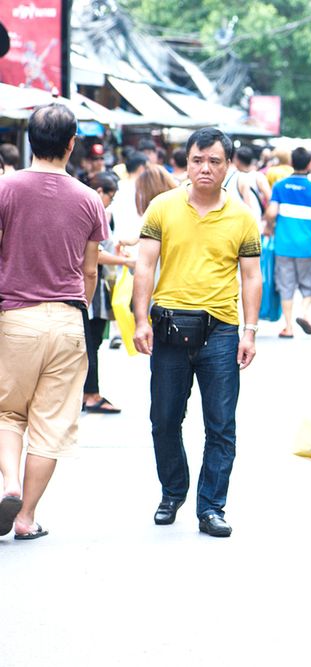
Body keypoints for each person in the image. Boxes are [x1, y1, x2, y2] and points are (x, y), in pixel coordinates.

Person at [132, 127, 262, 539]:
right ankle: (172, 493)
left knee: (221, 424)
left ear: (228, 166)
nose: (205, 168)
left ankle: (211, 507)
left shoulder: (242, 216)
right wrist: (139, 320)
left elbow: (252, 277)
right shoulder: (161, 207)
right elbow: (144, 266)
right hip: (168, 328)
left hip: (221, 332)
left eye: (214, 161)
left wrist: (250, 331)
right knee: (164, 418)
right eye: (197, 160)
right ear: (186, 163)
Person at [0, 104, 109, 540]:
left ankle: (8, 481)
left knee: (8, 411)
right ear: (71, 143)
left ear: (30, 140)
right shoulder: (88, 198)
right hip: (67, 319)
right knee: (51, 424)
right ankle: (26, 517)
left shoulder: (5, 189)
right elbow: (90, 271)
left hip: (15, 318)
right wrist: (77, 307)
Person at [82, 173, 135, 414]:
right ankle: (91, 394)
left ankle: (87, 392)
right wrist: (126, 263)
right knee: (90, 343)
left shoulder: (86, 207)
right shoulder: (90, 210)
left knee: (92, 342)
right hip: (88, 291)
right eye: (110, 198)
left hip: (90, 289)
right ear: (100, 191)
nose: (109, 203)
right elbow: (94, 255)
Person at [264, 147, 311, 338]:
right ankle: (304, 312)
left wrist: (270, 225)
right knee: (309, 285)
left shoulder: (280, 186)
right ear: (309, 164)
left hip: (283, 245)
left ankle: (288, 327)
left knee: (286, 285)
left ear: (291, 162)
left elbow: (271, 213)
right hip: (308, 246)